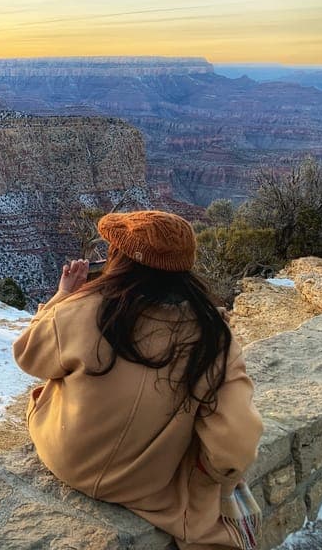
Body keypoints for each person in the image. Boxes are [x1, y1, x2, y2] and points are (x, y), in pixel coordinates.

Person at [13, 211, 264, 550]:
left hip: (64, 458)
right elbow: (235, 448)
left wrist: (63, 297)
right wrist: (205, 474)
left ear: (121, 261)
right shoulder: (213, 336)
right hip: (148, 484)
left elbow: (27, 354)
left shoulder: (83, 309)